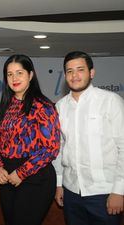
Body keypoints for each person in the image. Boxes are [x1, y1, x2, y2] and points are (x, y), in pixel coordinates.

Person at [53, 51, 124, 225]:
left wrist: (119, 191)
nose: (74, 75)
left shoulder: (111, 101)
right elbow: (59, 148)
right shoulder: (60, 107)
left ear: (91, 73)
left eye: (80, 70)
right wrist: (59, 183)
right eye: (69, 71)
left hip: (104, 193)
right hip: (71, 193)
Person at [0, 54, 60, 225]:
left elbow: (51, 148)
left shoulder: (43, 106)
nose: (14, 78)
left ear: (31, 75)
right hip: (7, 176)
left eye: (19, 73)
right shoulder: (4, 107)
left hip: (36, 176)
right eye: (9, 74)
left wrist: (21, 173)